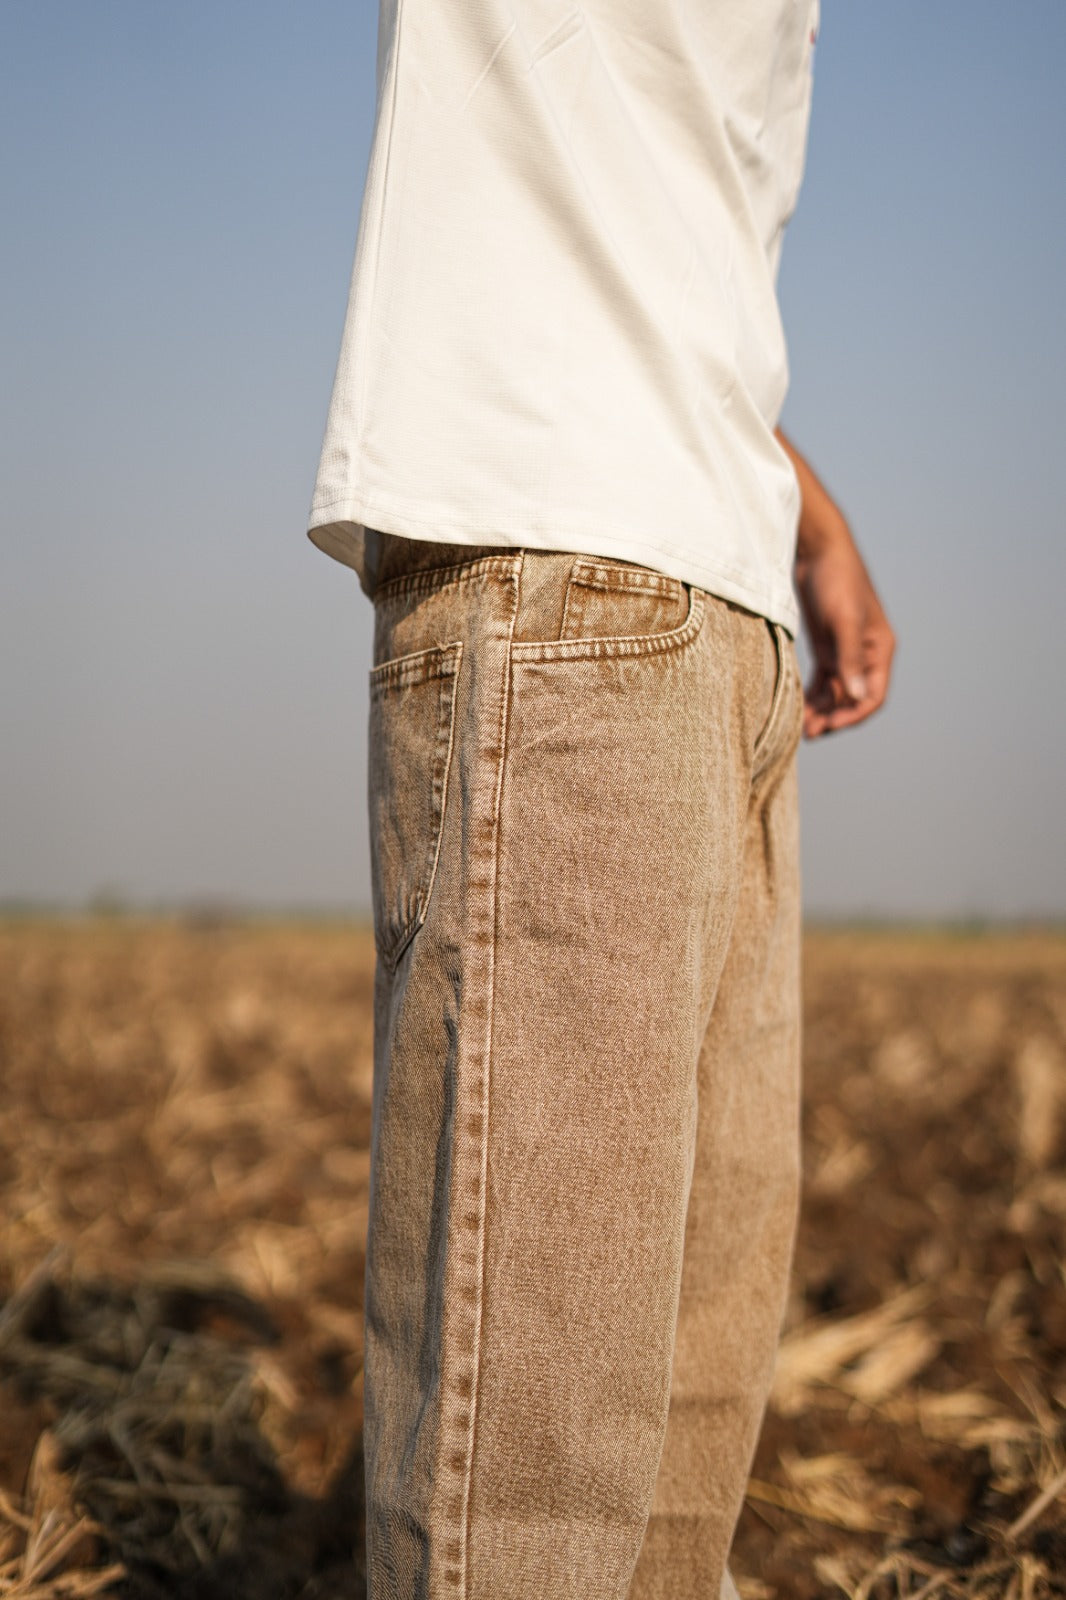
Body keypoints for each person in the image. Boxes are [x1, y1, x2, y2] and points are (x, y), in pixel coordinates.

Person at [307, 2, 894, 1596]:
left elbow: (659, 254)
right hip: (564, 587)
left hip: (723, 611)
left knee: (682, 1420)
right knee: (532, 1473)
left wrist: (805, 515)